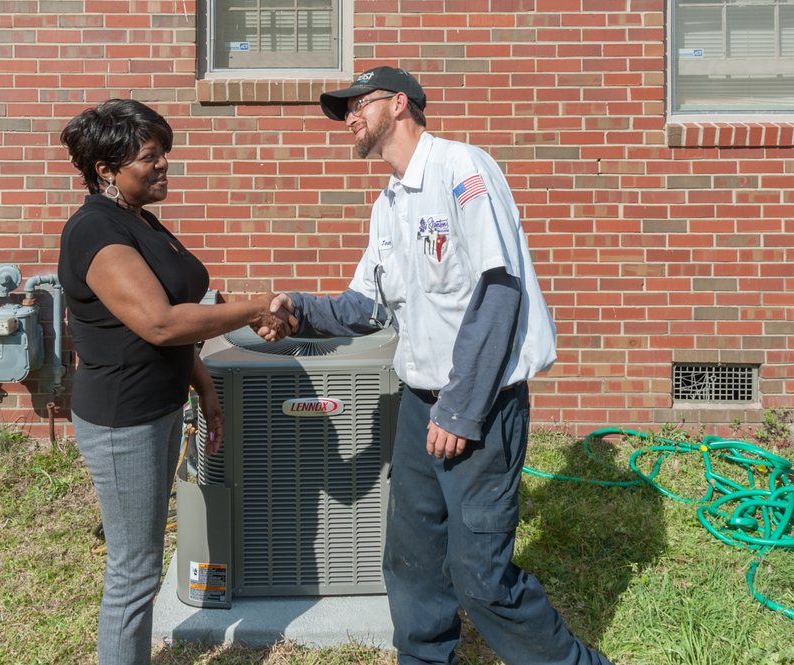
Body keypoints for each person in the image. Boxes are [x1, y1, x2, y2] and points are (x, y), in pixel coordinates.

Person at [264, 67, 612, 665]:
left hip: (478, 404)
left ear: (399, 104)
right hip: (419, 403)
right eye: (342, 109)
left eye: (357, 104)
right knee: (413, 561)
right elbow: (367, 304)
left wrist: (460, 407)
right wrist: (298, 309)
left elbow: (499, 291)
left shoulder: (462, 170)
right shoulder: (389, 202)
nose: (347, 117)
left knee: (480, 578)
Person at [57, 98, 294, 665]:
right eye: (149, 157)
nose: (164, 165)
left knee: (140, 561)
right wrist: (253, 307)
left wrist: (204, 385)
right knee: (134, 575)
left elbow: (173, 315)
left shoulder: (137, 219)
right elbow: (160, 323)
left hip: (158, 407)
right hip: (122, 419)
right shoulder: (95, 230)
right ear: (106, 170)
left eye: (164, 154)